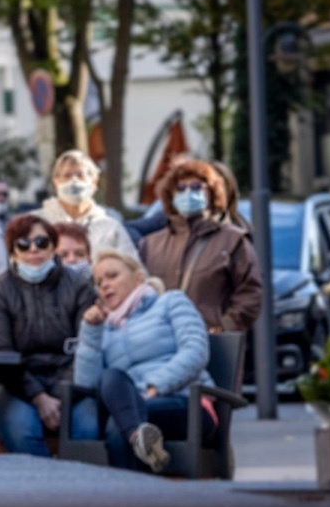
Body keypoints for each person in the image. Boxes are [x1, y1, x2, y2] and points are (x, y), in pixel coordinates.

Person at [72, 249, 217, 474]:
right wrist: (90, 333)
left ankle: (131, 504)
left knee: (118, 425)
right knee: (110, 379)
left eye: (112, 276)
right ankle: (139, 438)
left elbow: (195, 350)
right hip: (134, 408)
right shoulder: (104, 328)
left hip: (186, 402)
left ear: (138, 277)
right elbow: (87, 384)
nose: (104, 285)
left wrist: (154, 386)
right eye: (99, 281)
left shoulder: (170, 302)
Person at [0, 214, 100, 456]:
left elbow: (88, 347)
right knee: (22, 430)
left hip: (73, 384)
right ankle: (42, 493)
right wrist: (38, 397)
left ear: (53, 247)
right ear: (13, 253)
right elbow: (1, 355)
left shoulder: (79, 286)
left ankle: (82, 493)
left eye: (42, 242)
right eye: (24, 244)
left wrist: (58, 395)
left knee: (86, 430)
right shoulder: (0, 290)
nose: (33, 249)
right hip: (14, 386)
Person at [139, 157, 263, 334]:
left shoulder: (233, 240)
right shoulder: (150, 245)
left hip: (211, 345)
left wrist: (225, 327)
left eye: (197, 187)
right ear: (170, 195)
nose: (188, 193)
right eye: (181, 188)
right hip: (160, 346)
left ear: (212, 193)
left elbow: (250, 293)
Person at [34, 149, 138, 259]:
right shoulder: (37, 223)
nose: (74, 181)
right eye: (67, 176)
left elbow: (133, 267)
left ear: (94, 182)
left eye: (80, 175)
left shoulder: (110, 227)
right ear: (56, 183)